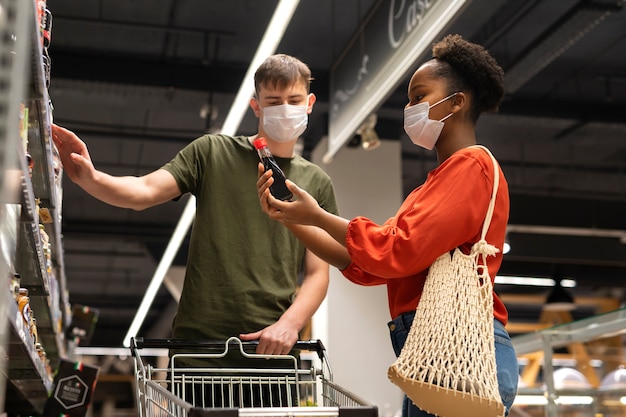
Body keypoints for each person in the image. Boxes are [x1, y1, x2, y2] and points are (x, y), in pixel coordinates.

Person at [256, 35, 518, 416]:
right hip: (432, 354)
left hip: (459, 352)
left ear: (458, 102)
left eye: (419, 96)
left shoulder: (471, 166)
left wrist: (317, 216)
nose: (409, 108)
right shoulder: (435, 183)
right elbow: (368, 264)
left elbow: (396, 249)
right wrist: (296, 219)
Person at [51, 54, 338, 401]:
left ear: (309, 104)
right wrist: (92, 179)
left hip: (274, 355)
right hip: (201, 351)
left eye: (293, 101)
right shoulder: (212, 153)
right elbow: (144, 192)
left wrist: (290, 324)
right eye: (273, 102)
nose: (285, 109)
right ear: (256, 106)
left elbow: (317, 273)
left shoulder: (317, 183)